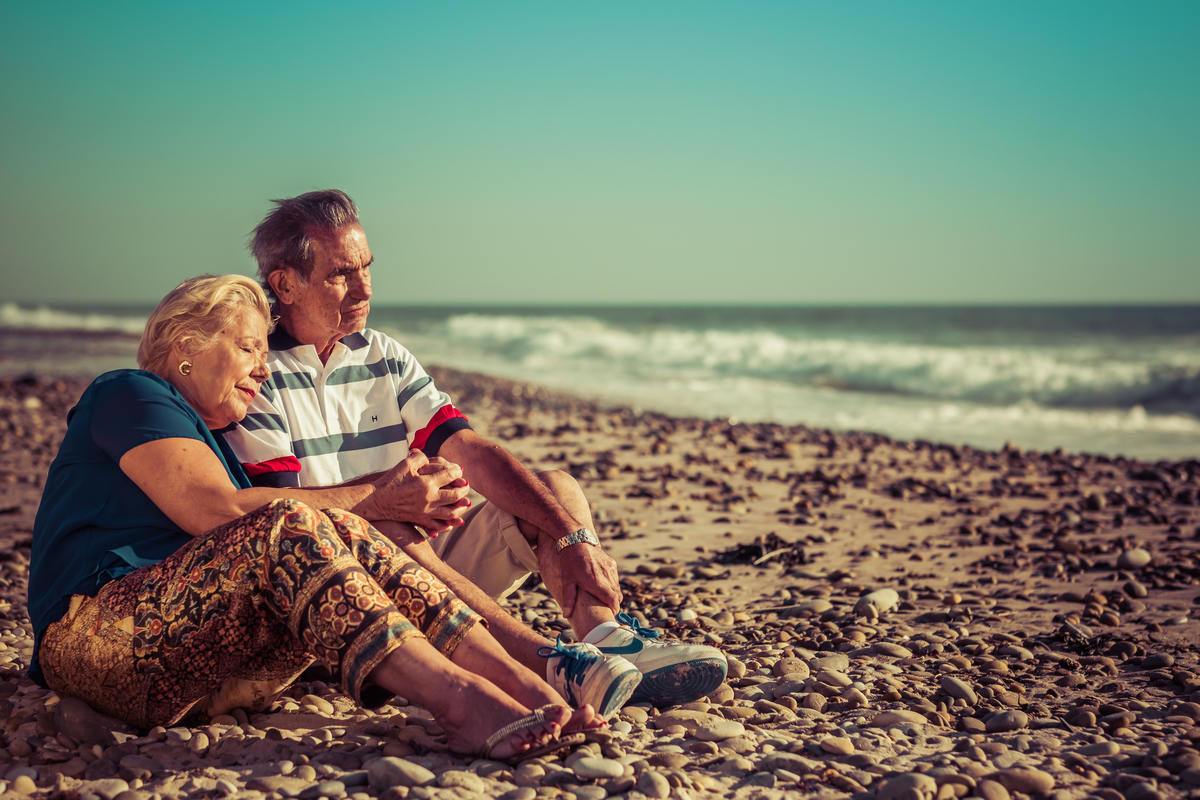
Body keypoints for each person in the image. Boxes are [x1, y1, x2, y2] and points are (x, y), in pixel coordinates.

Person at [28, 274, 603, 761]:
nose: (263, 368)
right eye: (249, 348)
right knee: (287, 522)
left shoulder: (224, 448)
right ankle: (460, 701)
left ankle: (528, 690)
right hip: (94, 643)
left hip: (197, 663)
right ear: (186, 344)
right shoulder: (130, 393)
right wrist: (379, 497)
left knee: (346, 531)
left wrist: (368, 513)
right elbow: (216, 512)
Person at [224, 190, 727, 712]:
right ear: (285, 283)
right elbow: (282, 512)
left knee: (555, 490)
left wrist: (573, 536)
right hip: (336, 598)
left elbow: (470, 450)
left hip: (424, 560)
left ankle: (606, 638)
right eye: (341, 274)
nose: (365, 287)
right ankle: (550, 667)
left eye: (367, 268)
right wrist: (386, 500)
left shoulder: (384, 355)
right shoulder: (256, 371)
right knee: (394, 529)